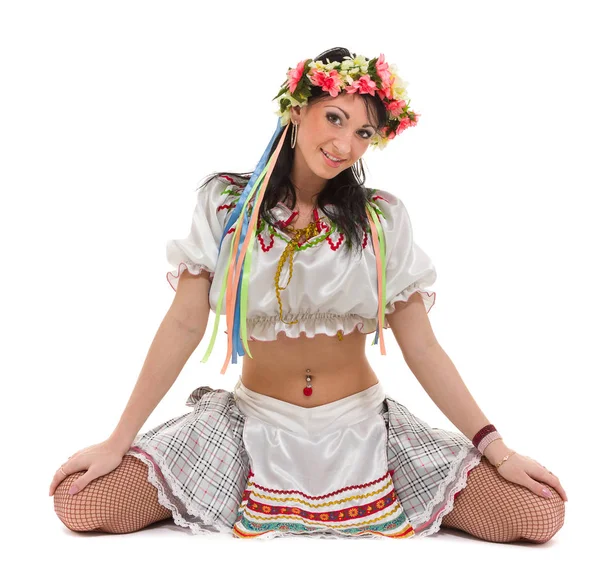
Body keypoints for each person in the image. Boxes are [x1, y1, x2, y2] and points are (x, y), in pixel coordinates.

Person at [49, 47, 567, 541]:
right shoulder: (227, 203)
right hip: (251, 427)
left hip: (363, 430)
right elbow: (185, 323)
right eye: (335, 118)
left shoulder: (381, 218)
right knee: (81, 501)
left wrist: (497, 450)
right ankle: (237, 487)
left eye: (364, 131)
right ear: (297, 111)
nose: (346, 144)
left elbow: (423, 347)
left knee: (538, 514)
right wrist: (118, 441)